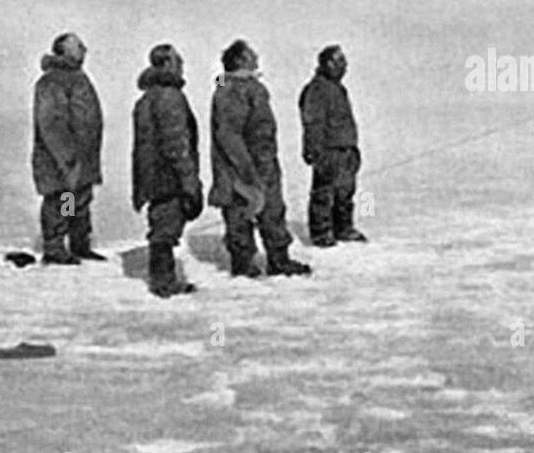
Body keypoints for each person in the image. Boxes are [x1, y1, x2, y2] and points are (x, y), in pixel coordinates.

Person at [208, 39, 310, 277]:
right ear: (241, 59)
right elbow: (229, 135)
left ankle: (279, 260)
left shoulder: (246, 86)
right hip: (243, 169)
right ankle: (243, 266)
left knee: (272, 212)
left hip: (263, 166)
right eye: (251, 54)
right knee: (240, 215)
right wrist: (247, 172)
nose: (257, 57)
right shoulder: (233, 89)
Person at [131, 44, 202, 298]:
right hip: (168, 178)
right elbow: (176, 144)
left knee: (162, 226)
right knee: (165, 230)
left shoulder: (148, 98)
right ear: (165, 64)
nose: (181, 63)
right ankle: (163, 281)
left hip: (154, 177)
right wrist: (189, 182)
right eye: (176, 60)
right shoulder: (170, 97)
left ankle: (163, 278)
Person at [32, 32, 104, 265]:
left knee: (79, 199)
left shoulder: (77, 78)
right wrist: (67, 156)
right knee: (63, 198)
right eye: (79, 46)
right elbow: (51, 122)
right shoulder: (52, 81)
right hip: (60, 160)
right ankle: (55, 248)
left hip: (81, 159)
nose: (85, 49)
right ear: (63, 51)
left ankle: (79, 244)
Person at [299, 44, 366, 247]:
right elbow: (312, 122)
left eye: (344, 61)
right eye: (339, 61)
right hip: (328, 151)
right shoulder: (317, 89)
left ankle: (343, 228)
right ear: (327, 63)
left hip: (345, 150)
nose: (344, 66)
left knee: (345, 192)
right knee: (323, 193)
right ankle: (321, 233)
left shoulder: (338, 88)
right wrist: (314, 151)